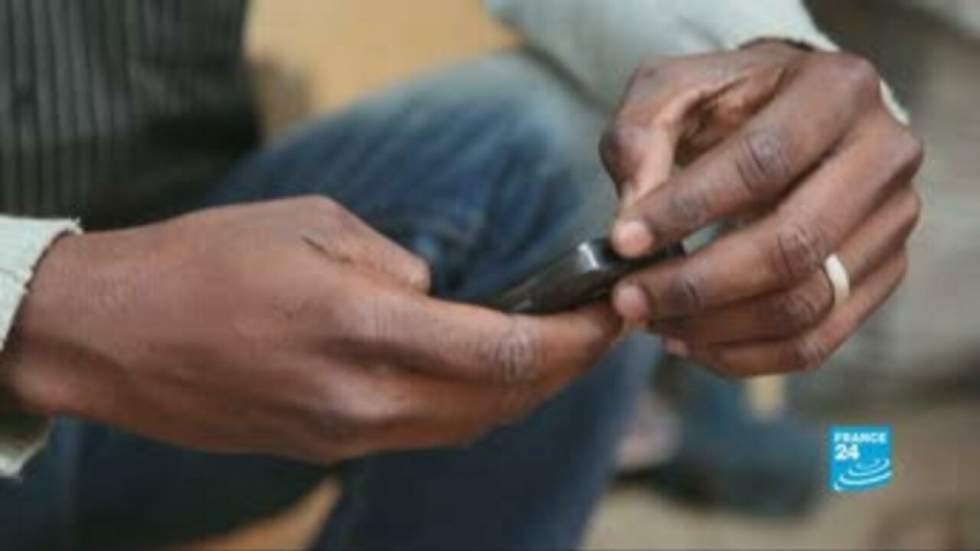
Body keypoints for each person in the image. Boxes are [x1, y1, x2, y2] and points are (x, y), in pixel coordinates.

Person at [0, 1, 922, 548]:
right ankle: (689, 437)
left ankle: (702, 435)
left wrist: (766, 71)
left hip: (221, 342)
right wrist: (46, 303)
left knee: (569, 157)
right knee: (800, 458)